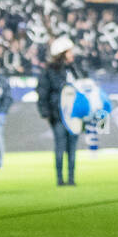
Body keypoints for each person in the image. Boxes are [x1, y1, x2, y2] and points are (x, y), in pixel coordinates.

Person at [37, 35, 79, 187]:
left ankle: (71, 178)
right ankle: (60, 179)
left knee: (72, 148)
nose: (72, 54)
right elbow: (43, 92)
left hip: (75, 115)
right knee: (60, 146)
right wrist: (46, 112)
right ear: (62, 53)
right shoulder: (49, 71)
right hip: (58, 115)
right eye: (69, 51)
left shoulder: (74, 69)